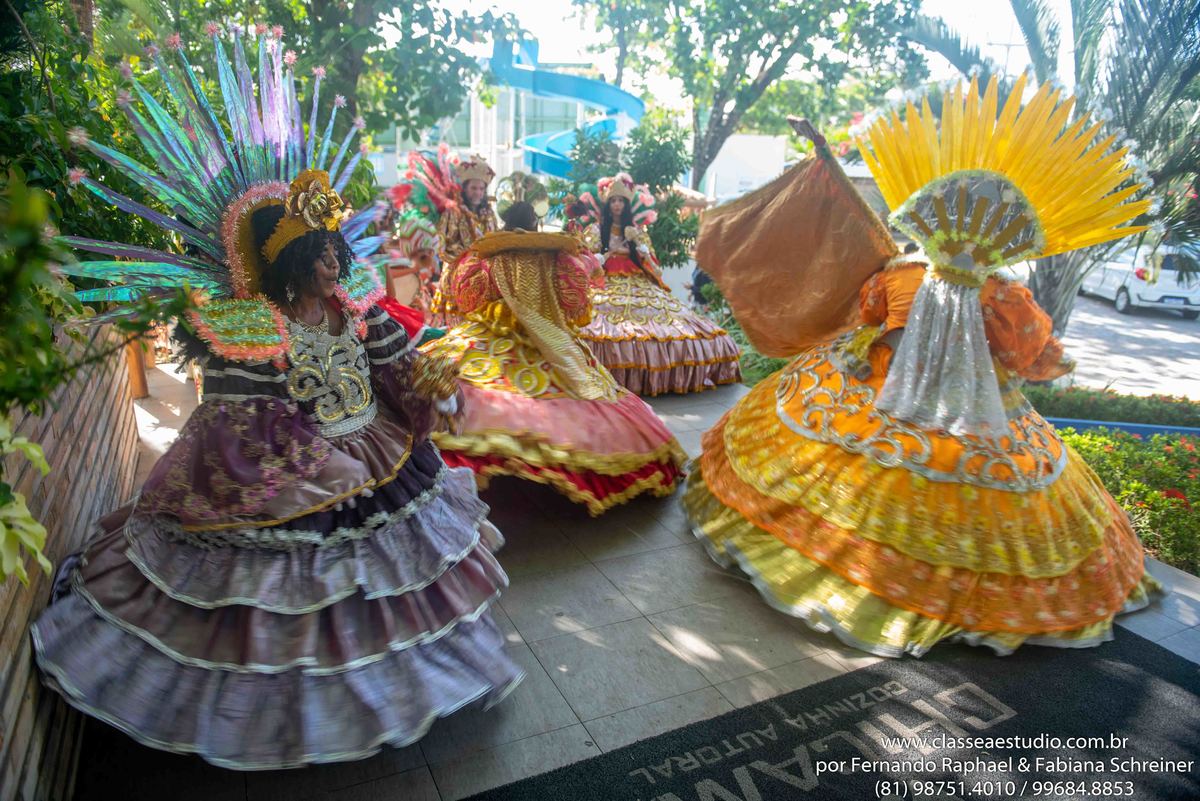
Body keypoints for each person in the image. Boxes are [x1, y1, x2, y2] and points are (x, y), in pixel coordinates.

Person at [32, 33, 522, 769]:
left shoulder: (355, 301)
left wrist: (432, 383)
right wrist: (318, 461)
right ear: (290, 263)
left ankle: (390, 689)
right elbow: (244, 424)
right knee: (285, 592)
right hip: (295, 466)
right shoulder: (252, 328)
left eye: (336, 250)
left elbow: (395, 359)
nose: (335, 262)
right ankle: (288, 713)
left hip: (375, 448)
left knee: (385, 574)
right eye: (320, 254)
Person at [685, 79, 1162, 657]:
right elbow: (1027, 350)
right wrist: (1033, 363)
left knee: (820, 439)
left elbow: (867, 314)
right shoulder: (1002, 294)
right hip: (976, 408)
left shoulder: (900, 270)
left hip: (883, 382)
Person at [421, 186, 687, 515]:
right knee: (576, 390)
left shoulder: (488, 260)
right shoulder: (559, 261)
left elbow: (467, 298)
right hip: (549, 342)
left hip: (494, 333)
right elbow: (576, 305)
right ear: (535, 224)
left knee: (468, 381)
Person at [573, 173, 741, 396]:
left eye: (621, 201)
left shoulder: (638, 232)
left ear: (627, 204)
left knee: (667, 320)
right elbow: (584, 260)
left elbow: (653, 266)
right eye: (613, 200)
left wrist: (642, 252)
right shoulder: (595, 230)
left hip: (638, 280)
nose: (616, 205)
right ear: (607, 203)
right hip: (605, 279)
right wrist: (600, 258)